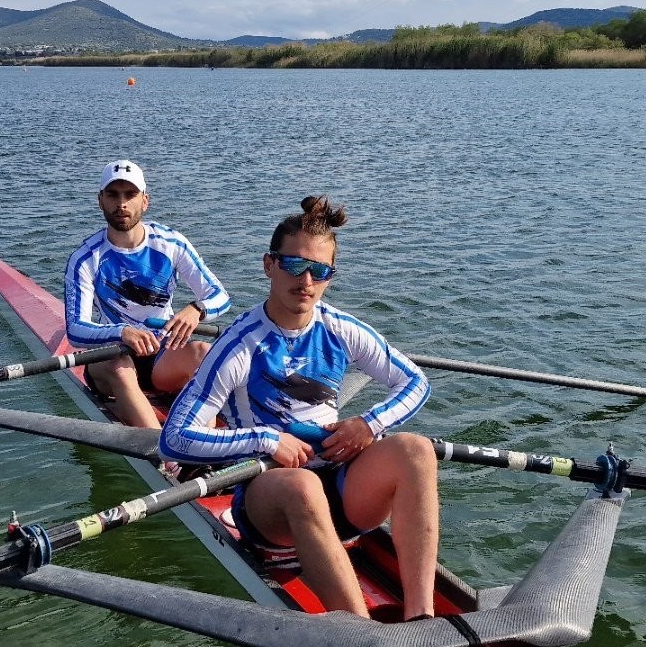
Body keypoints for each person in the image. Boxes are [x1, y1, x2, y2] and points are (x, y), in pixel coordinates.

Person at [158, 196, 439, 620]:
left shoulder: (341, 328)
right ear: (269, 264)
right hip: (268, 498)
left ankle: (422, 617)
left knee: (415, 450)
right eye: (294, 266)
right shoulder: (240, 344)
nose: (306, 280)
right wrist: (266, 439)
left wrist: (368, 423)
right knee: (302, 487)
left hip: (341, 486)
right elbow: (174, 439)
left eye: (320, 271)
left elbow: (416, 382)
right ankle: (361, 636)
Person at [65, 160, 231, 430]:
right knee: (120, 364)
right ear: (100, 201)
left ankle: (204, 442)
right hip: (111, 358)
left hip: (161, 356)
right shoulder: (85, 259)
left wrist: (196, 309)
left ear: (145, 201)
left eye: (130, 195)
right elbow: (75, 330)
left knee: (203, 351)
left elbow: (219, 296)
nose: (122, 204)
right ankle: (163, 455)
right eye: (113, 195)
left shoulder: (171, 243)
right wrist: (123, 332)